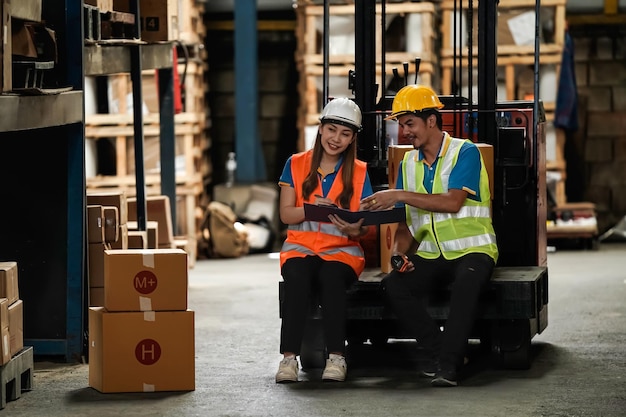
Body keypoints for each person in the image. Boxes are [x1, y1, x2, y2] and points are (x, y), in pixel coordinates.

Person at [361, 84, 498, 387]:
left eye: (409, 123)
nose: (404, 131)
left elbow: (453, 202)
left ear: (432, 121)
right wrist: (399, 254)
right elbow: (406, 226)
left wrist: (399, 194)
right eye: (400, 124)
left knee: (466, 285)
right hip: (431, 253)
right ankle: (440, 353)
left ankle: (447, 368)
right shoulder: (409, 163)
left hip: (473, 250)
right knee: (393, 286)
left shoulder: (465, 152)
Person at [275, 97, 374, 383]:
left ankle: (336, 358)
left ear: (353, 137)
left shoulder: (360, 171)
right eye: (331, 130)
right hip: (300, 249)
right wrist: (312, 209)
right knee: (297, 280)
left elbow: (363, 225)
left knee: (331, 281)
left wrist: (356, 230)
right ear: (321, 129)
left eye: (345, 134)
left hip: (342, 252)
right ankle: (288, 360)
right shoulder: (295, 164)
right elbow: (285, 214)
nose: (336, 139)